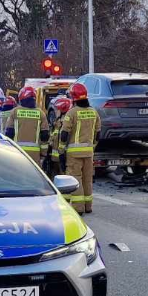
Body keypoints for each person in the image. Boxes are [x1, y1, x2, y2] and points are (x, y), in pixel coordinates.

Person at [59, 83, 100, 214]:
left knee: (75, 179)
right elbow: (98, 134)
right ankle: (88, 206)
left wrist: (61, 149)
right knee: (87, 179)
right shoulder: (94, 112)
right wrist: (92, 147)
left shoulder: (71, 113)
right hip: (89, 153)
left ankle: (78, 208)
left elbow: (64, 133)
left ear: (73, 97)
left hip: (73, 154)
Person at [7, 85, 48, 165]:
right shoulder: (41, 113)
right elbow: (45, 136)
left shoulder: (15, 112)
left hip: (17, 151)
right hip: (35, 153)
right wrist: (43, 154)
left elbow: (9, 133)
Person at [45, 96, 71, 177]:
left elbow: (58, 138)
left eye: (56, 109)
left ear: (61, 110)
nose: (55, 111)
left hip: (61, 158)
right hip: (56, 159)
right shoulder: (58, 122)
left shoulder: (64, 123)